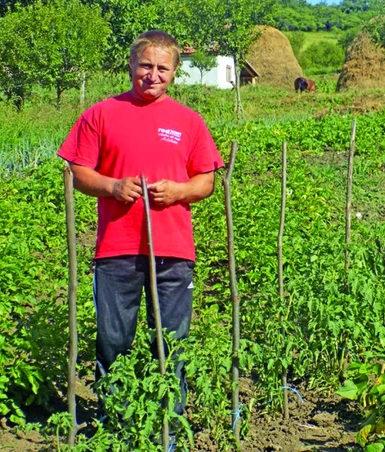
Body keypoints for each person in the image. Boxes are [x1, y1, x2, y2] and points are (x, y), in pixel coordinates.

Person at [57, 30, 224, 417]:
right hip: (117, 248)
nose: (153, 75)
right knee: (114, 339)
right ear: (131, 65)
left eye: (162, 68)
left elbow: (207, 181)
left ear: (175, 72)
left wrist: (179, 192)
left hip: (173, 250)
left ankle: (169, 421)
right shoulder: (100, 114)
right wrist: (113, 185)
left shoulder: (189, 121)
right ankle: (116, 419)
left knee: (170, 341)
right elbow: (79, 171)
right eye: (145, 65)